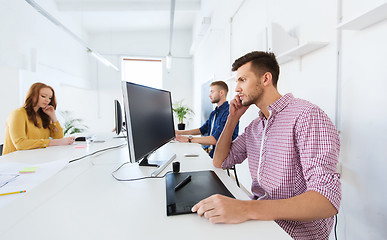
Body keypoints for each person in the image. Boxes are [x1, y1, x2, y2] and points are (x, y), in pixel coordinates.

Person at [191, 51, 341, 240]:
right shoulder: (256, 126)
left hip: (295, 233)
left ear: (265, 79)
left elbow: (326, 201)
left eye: (242, 80)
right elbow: (220, 161)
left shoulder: (306, 115)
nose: (236, 88)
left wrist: (244, 208)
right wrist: (233, 118)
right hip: (262, 220)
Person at [2, 82, 75, 155]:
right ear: (32, 95)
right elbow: (20, 144)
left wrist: (53, 117)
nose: (47, 100)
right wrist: (53, 142)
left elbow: (59, 138)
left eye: (50, 98)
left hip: (35, 158)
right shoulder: (18, 113)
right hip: (14, 161)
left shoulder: (43, 116)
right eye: (43, 96)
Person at [175, 81, 239, 158]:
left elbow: (215, 139)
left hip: (223, 155)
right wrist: (179, 132)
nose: (209, 95)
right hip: (211, 152)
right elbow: (201, 130)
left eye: (212, 92)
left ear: (221, 93)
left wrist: (188, 139)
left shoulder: (228, 111)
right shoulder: (214, 113)